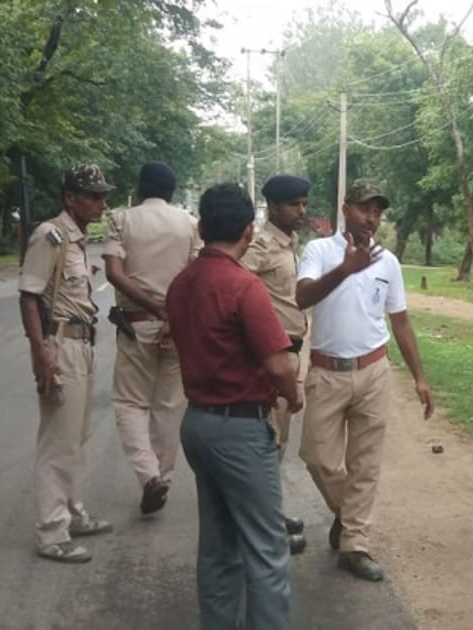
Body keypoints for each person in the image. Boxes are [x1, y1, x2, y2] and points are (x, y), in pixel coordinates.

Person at [166, 183, 300, 629]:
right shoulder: (243, 286)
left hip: (198, 423)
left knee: (219, 546)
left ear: (202, 227)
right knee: (267, 550)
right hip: (239, 428)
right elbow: (278, 364)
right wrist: (294, 395)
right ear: (248, 231)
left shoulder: (182, 284)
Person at [295, 180, 434, 582]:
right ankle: (347, 512)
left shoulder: (388, 263)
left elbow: (400, 321)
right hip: (327, 372)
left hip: (373, 371)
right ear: (345, 208)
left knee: (365, 463)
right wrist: (345, 269)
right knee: (317, 457)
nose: (371, 218)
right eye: (363, 208)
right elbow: (302, 297)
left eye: (377, 211)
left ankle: (354, 544)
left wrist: (420, 378)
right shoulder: (319, 251)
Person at [17, 164, 115, 563]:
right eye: (93, 196)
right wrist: (42, 352)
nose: (101, 203)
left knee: (79, 437)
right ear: (70, 198)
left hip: (82, 343)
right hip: (59, 345)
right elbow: (28, 296)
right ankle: (51, 531)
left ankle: (73, 513)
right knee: (58, 441)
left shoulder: (77, 239)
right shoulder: (51, 235)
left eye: (103, 196)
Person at [103, 162, 201, 515]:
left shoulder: (122, 220)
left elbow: (114, 273)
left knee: (130, 403)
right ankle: (162, 477)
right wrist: (172, 314)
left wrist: (153, 306)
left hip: (136, 324)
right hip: (179, 328)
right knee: (169, 407)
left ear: (139, 188)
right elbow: (196, 274)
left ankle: (149, 476)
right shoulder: (189, 223)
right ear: (172, 191)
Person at [243, 174, 313, 553]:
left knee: (279, 439)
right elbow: (236, 284)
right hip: (272, 354)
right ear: (272, 206)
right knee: (267, 440)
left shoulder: (289, 242)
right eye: (293, 205)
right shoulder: (262, 245)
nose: (301, 211)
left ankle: (269, 512)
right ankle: (262, 526)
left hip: (292, 351)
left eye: (303, 204)